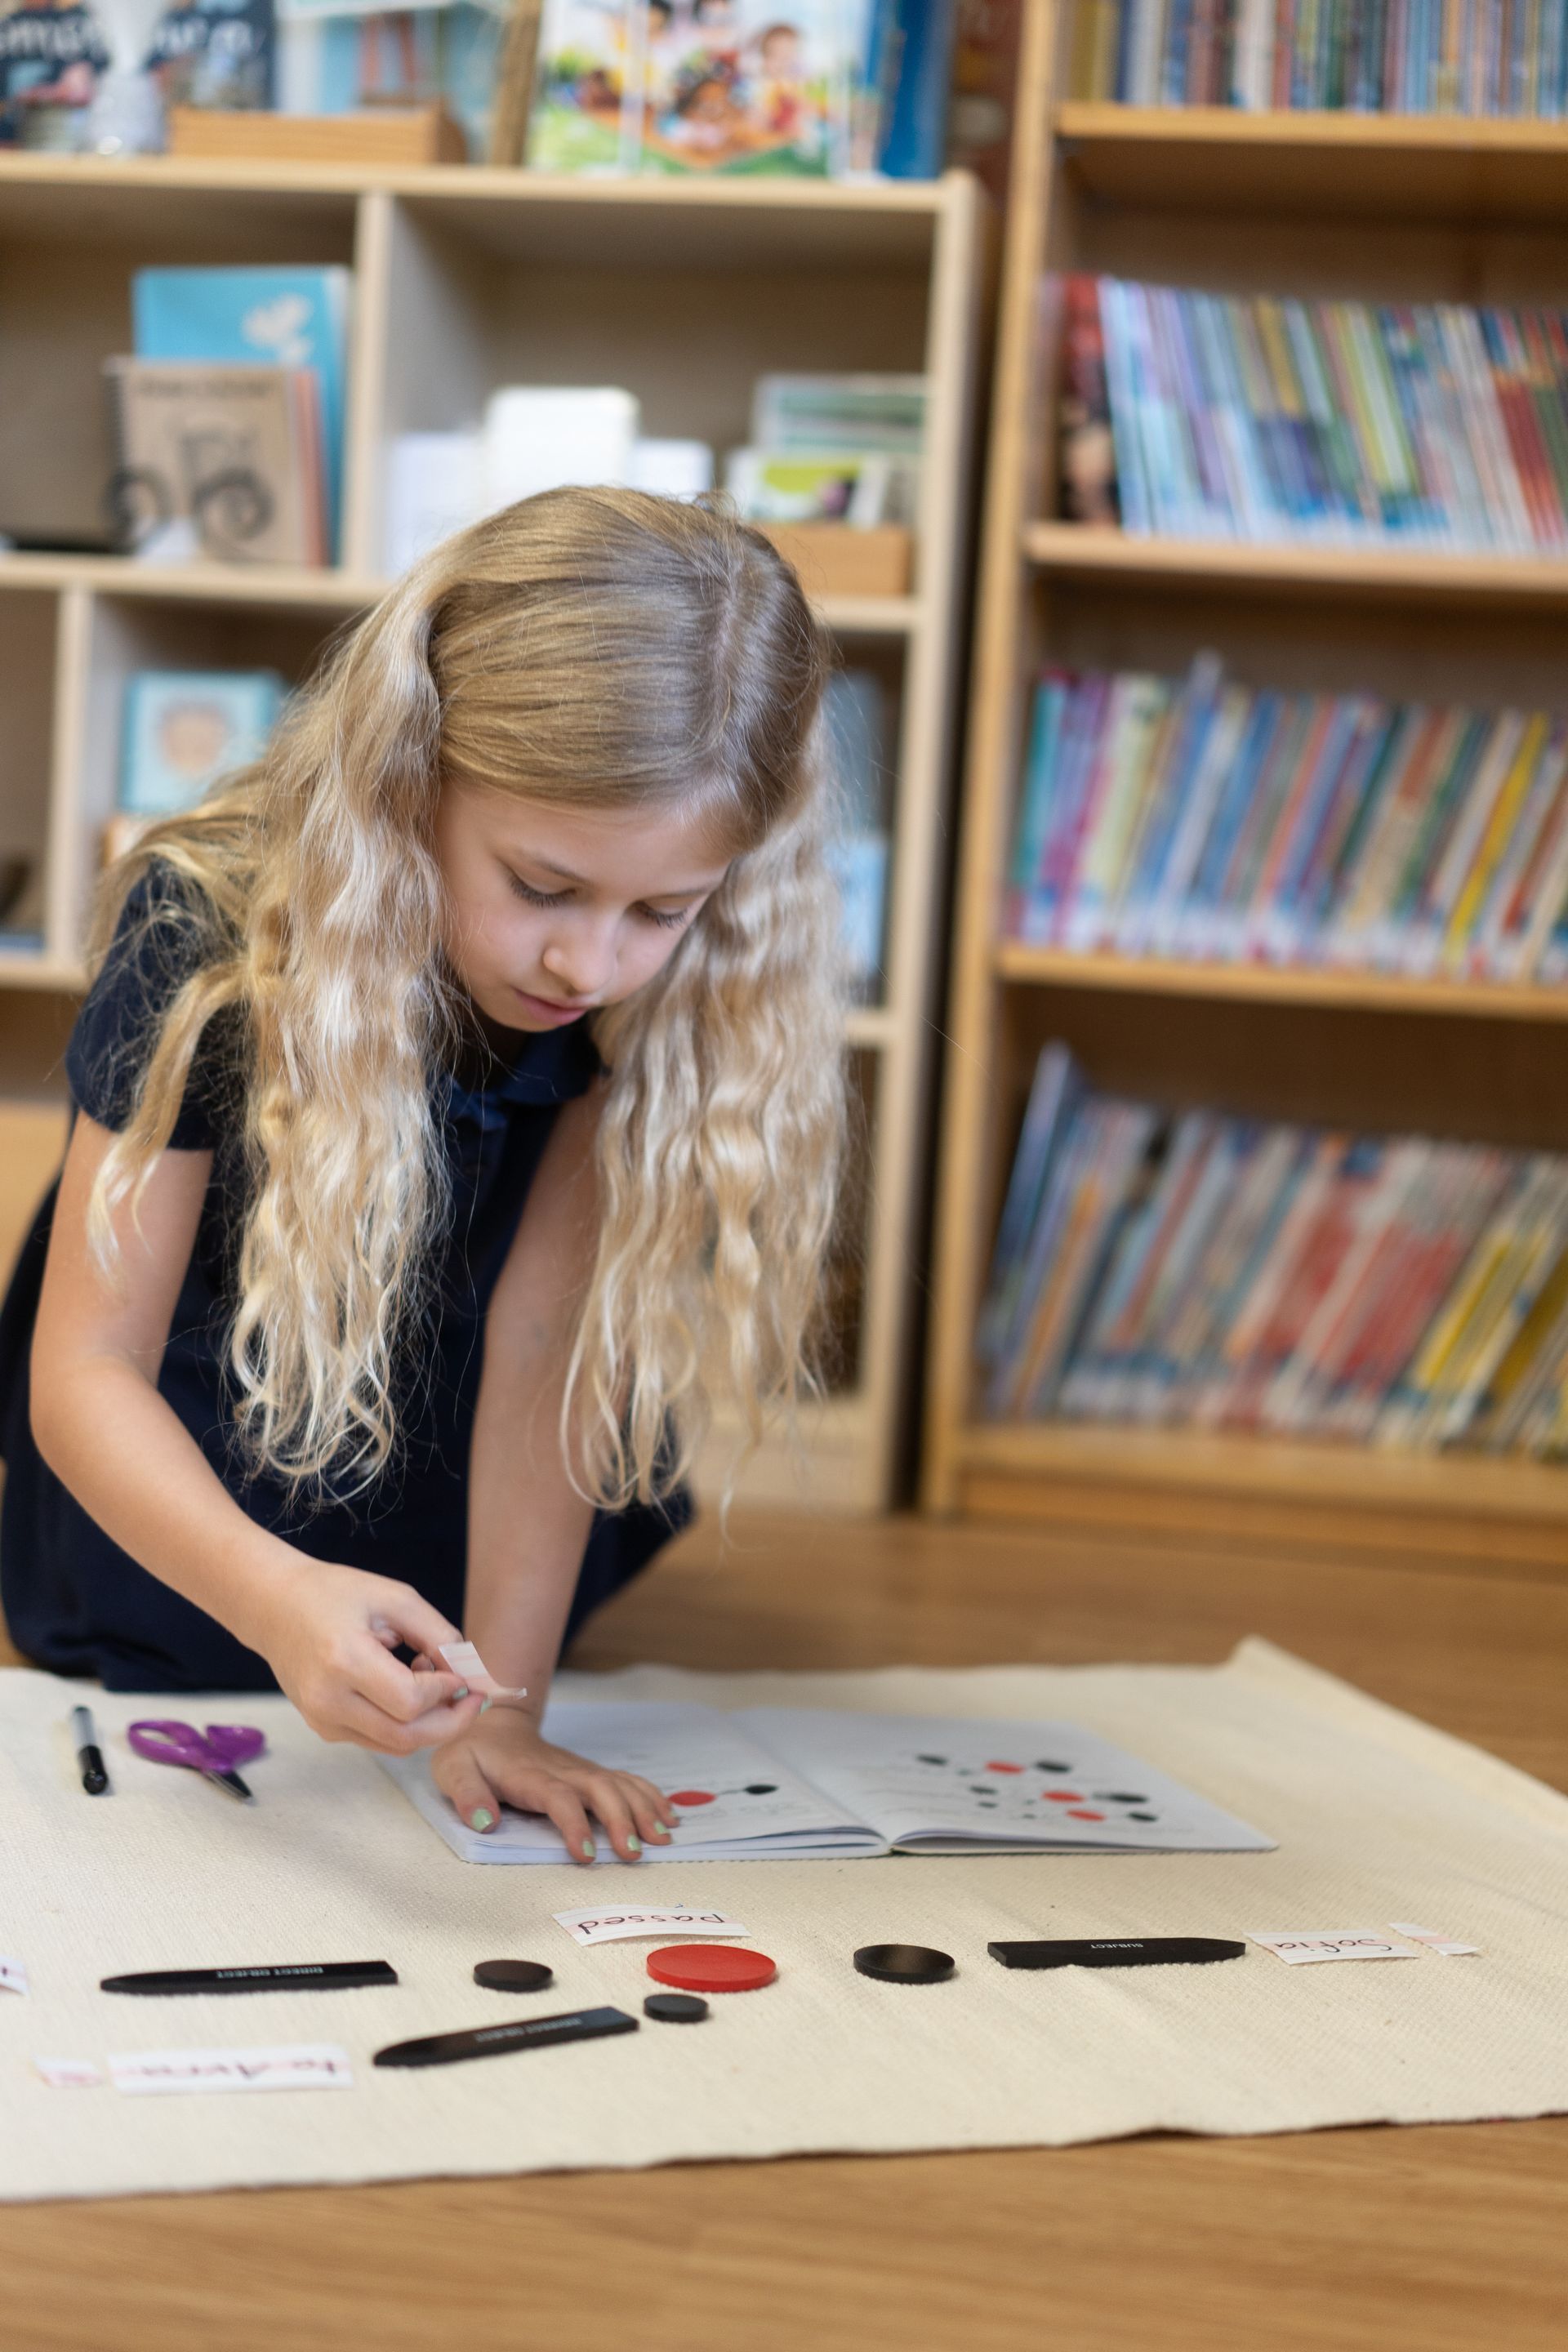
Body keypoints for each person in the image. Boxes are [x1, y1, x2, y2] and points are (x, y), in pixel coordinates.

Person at [0, 487, 846, 1864]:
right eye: (545, 885)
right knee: (197, 1647)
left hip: (457, 1433)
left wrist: (500, 1712)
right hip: (207, 1445)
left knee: (456, 1655)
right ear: (414, 776)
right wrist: (274, 1599)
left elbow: (543, 1336)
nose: (593, 965)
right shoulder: (203, 932)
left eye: (662, 913)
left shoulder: (631, 1002)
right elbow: (85, 1370)